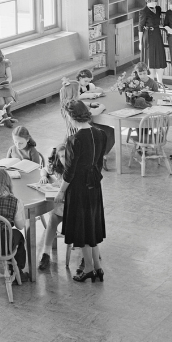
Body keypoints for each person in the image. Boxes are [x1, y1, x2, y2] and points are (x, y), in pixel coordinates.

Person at [56, 100, 108, 282]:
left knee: (83, 229)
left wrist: (61, 192)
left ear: (71, 117)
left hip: (79, 188)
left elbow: (69, 171)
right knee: (92, 225)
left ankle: (87, 268)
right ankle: (97, 267)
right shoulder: (100, 134)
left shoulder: (74, 140)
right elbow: (100, 161)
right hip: (94, 184)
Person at [35, 141, 66, 272]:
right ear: (58, 158)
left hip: (73, 205)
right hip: (59, 205)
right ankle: (46, 254)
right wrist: (43, 176)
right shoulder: (56, 167)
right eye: (62, 156)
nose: (65, 159)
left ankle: (84, 256)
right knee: (52, 219)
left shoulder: (75, 168)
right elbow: (44, 169)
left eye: (67, 156)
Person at [137, 0, 168, 74]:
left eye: (155, 1)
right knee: (150, 58)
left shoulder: (158, 9)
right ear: (147, 1)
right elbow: (140, 27)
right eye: (151, 1)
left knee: (159, 56)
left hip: (157, 34)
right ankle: (151, 81)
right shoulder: (143, 11)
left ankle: (160, 82)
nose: (154, 3)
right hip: (148, 35)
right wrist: (140, 42)